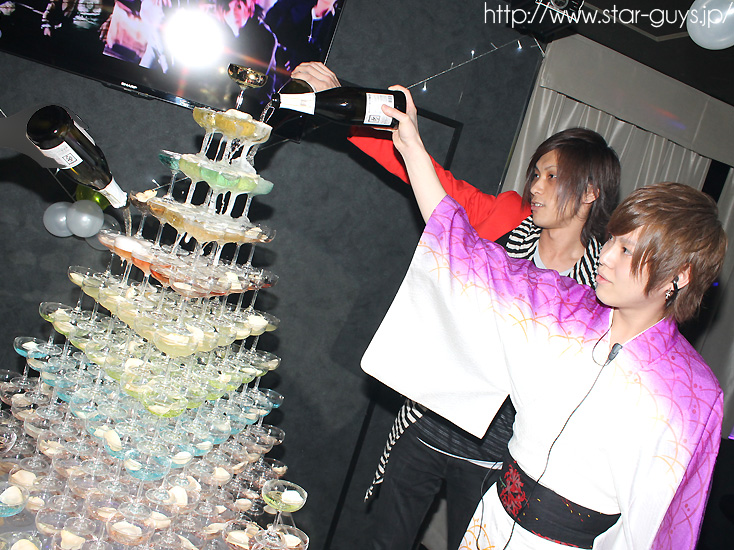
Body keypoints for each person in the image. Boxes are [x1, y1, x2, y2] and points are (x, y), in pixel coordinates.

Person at [359, 86, 726, 549]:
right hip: (491, 520)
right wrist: (411, 145)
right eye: (612, 241)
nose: (607, 256)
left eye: (626, 249)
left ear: (679, 275)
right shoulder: (563, 307)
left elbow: (662, 527)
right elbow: (462, 247)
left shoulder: (692, 394)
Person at [291, 61, 621, 550]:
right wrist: (346, 103)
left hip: (499, 458)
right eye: (536, 173)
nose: (535, 186)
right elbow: (430, 182)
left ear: (590, 191)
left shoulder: (604, 285)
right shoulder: (506, 220)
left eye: (553, 176)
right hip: (428, 426)